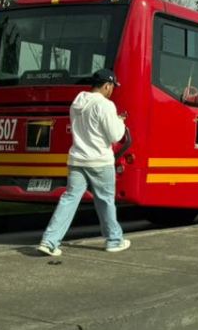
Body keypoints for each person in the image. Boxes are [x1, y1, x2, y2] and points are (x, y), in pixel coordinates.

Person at [38, 69, 130, 256]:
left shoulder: (77, 101)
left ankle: (49, 241)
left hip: (77, 159)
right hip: (99, 161)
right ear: (106, 85)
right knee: (105, 201)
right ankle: (114, 240)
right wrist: (120, 121)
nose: (112, 90)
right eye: (112, 87)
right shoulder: (105, 105)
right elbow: (115, 135)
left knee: (69, 200)